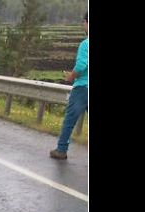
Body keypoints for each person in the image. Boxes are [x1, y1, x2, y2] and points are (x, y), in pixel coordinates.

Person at [50, 12, 88, 160]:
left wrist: (70, 76)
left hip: (83, 88)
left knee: (69, 120)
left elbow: (81, 65)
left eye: (83, 22)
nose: (83, 26)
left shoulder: (86, 44)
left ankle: (61, 150)